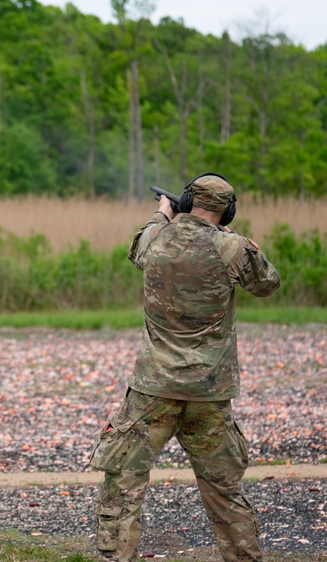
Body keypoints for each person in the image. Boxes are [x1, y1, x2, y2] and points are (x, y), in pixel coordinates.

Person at [89, 173, 280, 562]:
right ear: (227, 210)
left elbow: (138, 249)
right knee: (224, 491)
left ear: (187, 200)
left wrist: (163, 213)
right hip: (209, 392)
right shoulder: (233, 247)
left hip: (153, 389)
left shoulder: (157, 236)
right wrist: (243, 245)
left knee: (123, 483)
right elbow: (267, 283)